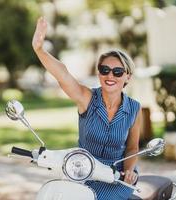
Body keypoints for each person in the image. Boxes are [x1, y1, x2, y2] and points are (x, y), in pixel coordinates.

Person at [32, 16, 142, 200]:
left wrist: (129, 171)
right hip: (82, 173)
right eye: (104, 70)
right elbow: (63, 75)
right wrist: (39, 49)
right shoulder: (87, 98)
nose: (110, 76)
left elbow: (132, 148)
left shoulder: (134, 108)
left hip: (116, 178)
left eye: (117, 72)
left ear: (127, 77)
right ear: (99, 73)